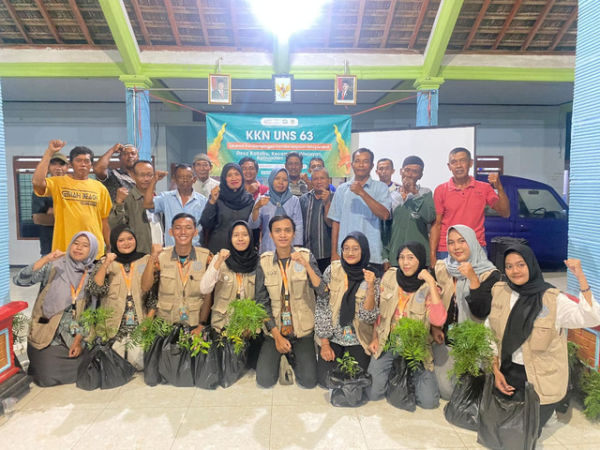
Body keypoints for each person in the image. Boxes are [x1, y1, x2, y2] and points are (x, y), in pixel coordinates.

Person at [487, 245, 600, 435]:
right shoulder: (501, 292)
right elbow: (489, 329)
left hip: (541, 377)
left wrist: (580, 277)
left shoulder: (552, 299)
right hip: (509, 370)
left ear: (531, 264)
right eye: (509, 266)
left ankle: (548, 412)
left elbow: (591, 318)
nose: (515, 271)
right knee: (499, 427)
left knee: (524, 433)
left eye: (521, 264)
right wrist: (495, 368)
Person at [367, 242, 446, 409]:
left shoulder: (429, 287)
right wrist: (374, 338)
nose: (406, 263)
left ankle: (405, 377)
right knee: (373, 393)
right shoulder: (390, 276)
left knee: (429, 402)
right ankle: (395, 374)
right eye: (402, 258)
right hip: (389, 343)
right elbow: (380, 313)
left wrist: (431, 282)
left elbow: (438, 320)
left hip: (416, 349)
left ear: (420, 260)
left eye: (411, 258)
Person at [13, 232, 98, 386]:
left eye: (85, 246)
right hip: (47, 332)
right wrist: (46, 258)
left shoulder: (93, 274)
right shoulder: (55, 266)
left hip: (74, 335)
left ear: (92, 251)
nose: (78, 248)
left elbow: (90, 313)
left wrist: (78, 341)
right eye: (76, 243)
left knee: (89, 368)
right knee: (46, 377)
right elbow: (20, 280)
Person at [432, 224, 502, 399]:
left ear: (472, 241)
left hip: (475, 342)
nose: (456, 247)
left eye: (462, 241)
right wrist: (435, 328)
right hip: (448, 339)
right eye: (451, 242)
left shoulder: (489, 274)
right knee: (446, 392)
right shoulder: (444, 268)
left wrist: (472, 278)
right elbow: (434, 303)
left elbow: (481, 310)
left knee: (471, 391)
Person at [254, 215, 325, 388]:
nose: (283, 235)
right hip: (276, 329)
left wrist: (307, 266)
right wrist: (276, 336)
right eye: (278, 231)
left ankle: (291, 356)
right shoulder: (264, 262)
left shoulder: (306, 256)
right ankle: (282, 355)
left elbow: (322, 290)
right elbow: (261, 302)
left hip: (302, 330)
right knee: (264, 380)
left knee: (308, 381)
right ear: (270, 235)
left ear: (294, 234)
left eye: (287, 230)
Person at [315, 232, 378, 389]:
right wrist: (324, 343)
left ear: (363, 250)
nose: (350, 253)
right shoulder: (333, 270)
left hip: (358, 338)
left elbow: (368, 317)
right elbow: (322, 306)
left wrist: (370, 287)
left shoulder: (371, 276)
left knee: (356, 380)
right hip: (333, 337)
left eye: (355, 249)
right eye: (346, 248)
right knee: (325, 381)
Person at [87, 225, 154, 370]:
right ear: (114, 243)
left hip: (139, 324)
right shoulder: (107, 261)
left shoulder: (145, 259)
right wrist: (106, 264)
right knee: (115, 366)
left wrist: (147, 323)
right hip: (114, 328)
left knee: (139, 365)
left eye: (130, 239)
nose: (127, 243)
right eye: (121, 240)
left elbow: (153, 294)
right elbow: (95, 289)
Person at [430, 147, 510, 266]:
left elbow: (505, 212)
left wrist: (499, 188)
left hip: (476, 248)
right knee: (448, 285)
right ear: (449, 166)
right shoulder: (441, 190)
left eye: (462, 160)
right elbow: (436, 224)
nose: (458, 165)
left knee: (477, 284)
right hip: (447, 249)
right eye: (454, 162)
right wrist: (432, 255)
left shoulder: (484, 188)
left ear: (470, 163)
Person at [32, 140, 111, 258]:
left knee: (93, 277)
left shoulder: (100, 188)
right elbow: (37, 182)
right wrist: (49, 153)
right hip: (64, 250)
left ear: (91, 165)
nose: (83, 164)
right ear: (71, 164)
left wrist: (109, 245)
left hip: (94, 250)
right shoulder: (59, 183)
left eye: (86, 161)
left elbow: (105, 220)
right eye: (78, 160)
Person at [141, 213, 211, 330]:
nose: (183, 232)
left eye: (188, 228)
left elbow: (208, 296)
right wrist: (152, 257)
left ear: (195, 232)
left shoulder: (206, 257)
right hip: (165, 324)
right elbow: (145, 287)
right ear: (171, 232)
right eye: (178, 228)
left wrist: (201, 324)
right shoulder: (160, 256)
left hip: (193, 324)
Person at [328, 148, 391, 274]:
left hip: (371, 254)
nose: (361, 165)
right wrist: (334, 252)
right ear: (352, 164)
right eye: (357, 161)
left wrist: (362, 192)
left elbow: (385, 214)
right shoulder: (341, 189)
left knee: (371, 291)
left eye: (365, 161)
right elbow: (336, 222)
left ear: (372, 165)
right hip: (346, 254)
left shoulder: (381, 188)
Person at [200, 220, 258, 330]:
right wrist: (218, 262)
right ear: (229, 238)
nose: (240, 239)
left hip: (248, 327)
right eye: (235, 235)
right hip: (222, 325)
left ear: (250, 237)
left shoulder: (257, 261)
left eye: (245, 235)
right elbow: (205, 288)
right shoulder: (220, 258)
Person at [382, 156, 436, 267]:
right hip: (396, 256)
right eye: (407, 170)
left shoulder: (425, 193)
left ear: (420, 175)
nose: (409, 174)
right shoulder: (390, 195)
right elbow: (385, 229)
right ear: (401, 171)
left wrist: (414, 193)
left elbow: (429, 217)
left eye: (415, 172)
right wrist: (385, 257)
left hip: (419, 256)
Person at [108, 160, 167, 254]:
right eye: (142, 175)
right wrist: (119, 203)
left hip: (160, 252)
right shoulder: (127, 198)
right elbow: (115, 225)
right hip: (138, 254)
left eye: (150, 175)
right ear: (134, 176)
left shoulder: (158, 198)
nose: (146, 179)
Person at [143, 164, 207, 247]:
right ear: (174, 179)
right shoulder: (166, 198)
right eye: (181, 177)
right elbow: (147, 204)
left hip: (195, 249)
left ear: (194, 179)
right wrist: (154, 180)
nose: (185, 180)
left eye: (188, 177)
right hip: (171, 250)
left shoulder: (203, 201)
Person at [200, 163, 255, 254]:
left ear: (242, 177)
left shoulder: (249, 199)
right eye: (229, 175)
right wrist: (212, 202)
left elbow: (254, 227)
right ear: (224, 179)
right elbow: (206, 223)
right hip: (219, 249)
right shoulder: (217, 196)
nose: (234, 178)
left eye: (237, 174)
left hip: (242, 251)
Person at [249, 168, 303, 254]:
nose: (281, 182)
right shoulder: (262, 199)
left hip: (290, 248)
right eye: (277, 178)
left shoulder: (294, 200)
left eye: (285, 180)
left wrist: (297, 249)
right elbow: (253, 225)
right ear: (271, 180)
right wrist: (256, 208)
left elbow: (298, 226)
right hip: (268, 247)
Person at [31, 152, 68, 256]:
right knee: (49, 270)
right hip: (50, 245)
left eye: (61, 164)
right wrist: (66, 213)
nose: (58, 168)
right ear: (48, 167)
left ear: (67, 167)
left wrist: (54, 211)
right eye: (54, 164)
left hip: (72, 244)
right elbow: (38, 219)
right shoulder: (41, 189)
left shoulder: (73, 188)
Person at [299, 167, 333, 274]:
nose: (319, 182)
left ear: (329, 180)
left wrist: (327, 203)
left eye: (322, 178)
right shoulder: (303, 199)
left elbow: (331, 223)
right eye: (315, 179)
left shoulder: (335, 198)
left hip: (327, 254)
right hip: (307, 254)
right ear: (311, 181)